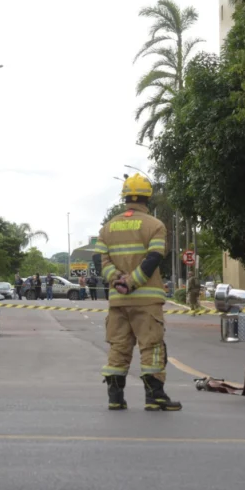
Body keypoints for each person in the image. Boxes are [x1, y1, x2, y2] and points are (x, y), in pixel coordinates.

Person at [93, 173, 180, 412]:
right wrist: (132, 282)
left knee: (119, 347)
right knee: (151, 346)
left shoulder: (108, 227)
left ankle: (115, 397)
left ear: (124, 199)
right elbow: (153, 259)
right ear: (147, 198)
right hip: (146, 300)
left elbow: (102, 261)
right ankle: (155, 397)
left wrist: (117, 280)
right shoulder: (155, 225)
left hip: (118, 300)